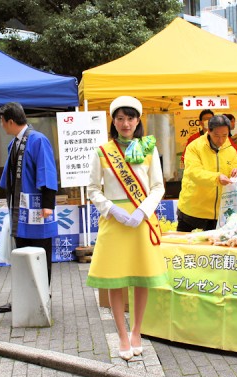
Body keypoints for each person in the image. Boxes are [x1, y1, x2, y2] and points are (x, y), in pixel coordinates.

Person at [87, 96, 166, 361]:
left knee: (141, 278)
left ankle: (137, 331)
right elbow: (93, 189)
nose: (125, 123)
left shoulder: (148, 149)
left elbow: (158, 186)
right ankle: (121, 334)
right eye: (119, 118)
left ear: (138, 120)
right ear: (113, 120)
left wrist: (143, 210)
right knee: (115, 279)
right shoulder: (102, 151)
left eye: (130, 117)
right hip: (114, 221)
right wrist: (112, 210)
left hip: (141, 220)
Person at [0, 102, 57, 313]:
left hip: (39, 208)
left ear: (10, 121)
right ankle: (23, 298)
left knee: (40, 254)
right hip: (20, 210)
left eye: (3, 121)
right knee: (21, 254)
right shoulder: (14, 143)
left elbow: (47, 169)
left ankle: (42, 296)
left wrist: (48, 205)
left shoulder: (38, 140)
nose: (2, 125)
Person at [177, 115, 237, 232]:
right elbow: (194, 172)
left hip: (218, 214)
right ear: (209, 131)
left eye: (224, 136)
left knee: (213, 249)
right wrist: (217, 178)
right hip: (192, 210)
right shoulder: (194, 147)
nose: (221, 140)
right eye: (217, 136)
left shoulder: (231, 149)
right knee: (185, 247)